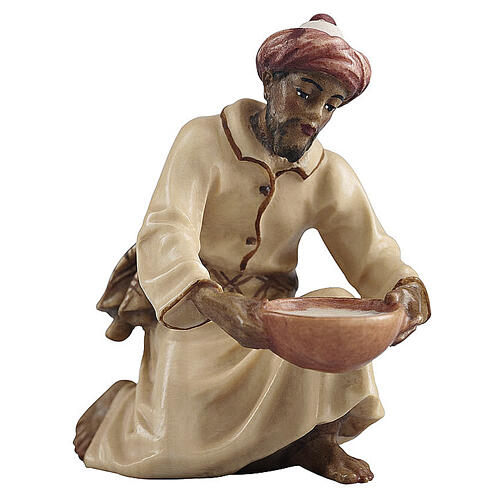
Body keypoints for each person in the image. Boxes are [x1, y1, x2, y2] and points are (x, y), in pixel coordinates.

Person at [74, 14, 430, 484]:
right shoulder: (203, 140)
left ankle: (314, 439)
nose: (315, 117)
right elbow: (166, 228)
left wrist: (406, 290)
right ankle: (122, 412)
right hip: (198, 312)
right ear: (270, 82)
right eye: (305, 93)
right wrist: (212, 301)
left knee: (339, 307)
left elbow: (372, 252)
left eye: (331, 105)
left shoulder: (330, 174)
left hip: (273, 321)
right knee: (173, 454)